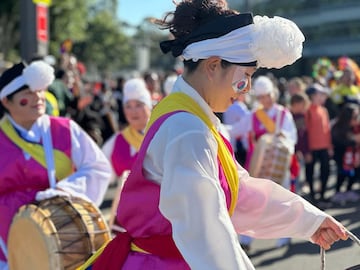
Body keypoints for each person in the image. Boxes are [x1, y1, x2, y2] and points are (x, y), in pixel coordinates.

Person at [82, 1, 348, 269]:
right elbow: (207, 231)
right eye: (244, 77)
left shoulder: (187, 117)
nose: (246, 91)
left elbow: (239, 194)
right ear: (213, 65)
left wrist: (310, 220)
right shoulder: (188, 129)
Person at [0, 60, 112, 269]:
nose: (38, 98)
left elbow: (98, 168)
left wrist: (65, 190)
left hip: (63, 240)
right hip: (6, 243)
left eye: (40, 91)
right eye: (28, 94)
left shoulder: (65, 129)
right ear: (6, 101)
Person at [102, 78, 153, 233]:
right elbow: (100, 173)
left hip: (158, 213)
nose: (133, 111)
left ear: (149, 107)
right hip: (126, 217)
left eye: (138, 105)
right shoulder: (117, 141)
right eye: (128, 106)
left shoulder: (161, 134)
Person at [305, 83, 333, 206]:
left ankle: (322, 194)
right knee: (310, 171)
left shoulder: (324, 110)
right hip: (311, 147)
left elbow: (327, 129)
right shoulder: (307, 111)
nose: (321, 96)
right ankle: (312, 194)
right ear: (312, 96)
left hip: (324, 147)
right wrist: (306, 150)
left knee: (326, 170)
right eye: (318, 94)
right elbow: (305, 132)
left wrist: (330, 146)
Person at [331, 103, 360, 204]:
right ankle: (338, 192)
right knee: (342, 174)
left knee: (354, 174)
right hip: (341, 156)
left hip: (355, 156)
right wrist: (354, 140)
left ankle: (349, 190)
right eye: (355, 116)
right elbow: (340, 141)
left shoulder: (356, 127)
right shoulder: (337, 127)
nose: (356, 119)